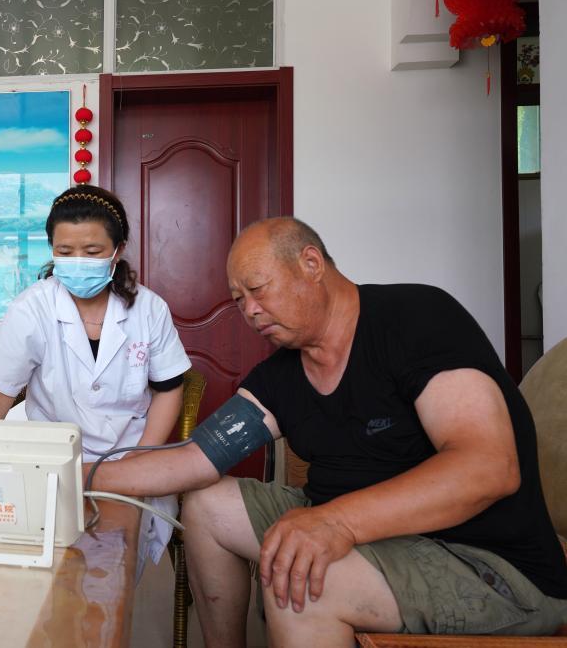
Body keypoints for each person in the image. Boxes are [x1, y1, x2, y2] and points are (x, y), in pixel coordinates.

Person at [88, 217, 567, 646]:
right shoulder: (282, 375)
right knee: (207, 503)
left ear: (311, 264)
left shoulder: (416, 318)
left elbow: (488, 468)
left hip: (483, 563)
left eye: (258, 289)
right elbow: (193, 461)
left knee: (299, 581)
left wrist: (336, 523)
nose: (250, 310)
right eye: (239, 300)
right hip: (373, 537)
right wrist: (74, 473)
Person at [0, 184, 192, 564]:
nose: (77, 262)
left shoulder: (149, 309)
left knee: (111, 564)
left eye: (91, 252)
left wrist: (138, 461)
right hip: (54, 461)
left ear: (118, 251)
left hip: (128, 457)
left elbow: (170, 388)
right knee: (46, 561)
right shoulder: (32, 309)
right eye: (64, 251)